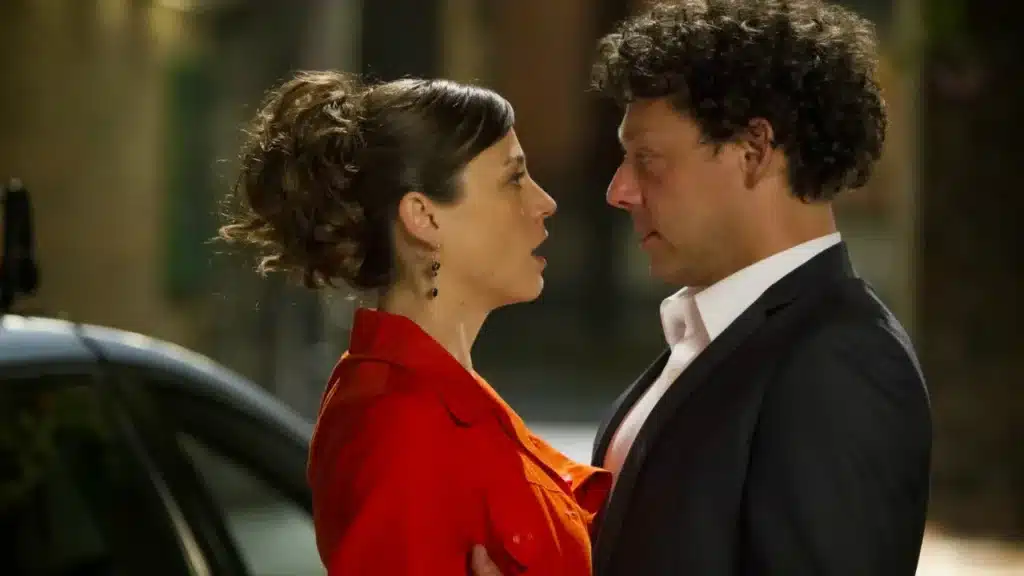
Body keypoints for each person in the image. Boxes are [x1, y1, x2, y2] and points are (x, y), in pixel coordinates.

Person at [472, 0, 932, 575]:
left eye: (647, 159)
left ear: (754, 151)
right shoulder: (715, 336)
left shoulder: (837, 360)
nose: (619, 190)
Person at [219, 71, 610, 575]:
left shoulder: (445, 399)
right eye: (513, 179)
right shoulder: (402, 428)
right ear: (423, 217)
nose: (544, 202)